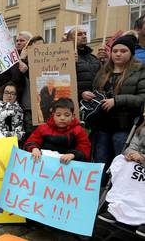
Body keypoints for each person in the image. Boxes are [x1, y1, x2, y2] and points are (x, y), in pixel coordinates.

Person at [82, 35, 145, 175]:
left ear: (131, 53)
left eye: (123, 51)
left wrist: (117, 101)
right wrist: (87, 94)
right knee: (100, 161)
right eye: (115, 51)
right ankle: (99, 192)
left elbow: (142, 98)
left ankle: (115, 193)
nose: (118, 54)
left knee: (120, 161)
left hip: (124, 126)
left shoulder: (140, 71)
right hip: (103, 125)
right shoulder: (104, 71)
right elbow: (96, 93)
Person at [97, 112, 145, 237]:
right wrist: (131, 155)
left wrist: (142, 158)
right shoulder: (141, 129)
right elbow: (131, 147)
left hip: (142, 161)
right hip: (138, 164)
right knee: (121, 160)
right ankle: (118, 208)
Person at [24, 98, 91, 163]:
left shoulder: (79, 130)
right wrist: (34, 148)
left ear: (73, 116)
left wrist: (73, 155)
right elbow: (31, 141)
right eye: (58, 115)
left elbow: (85, 148)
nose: (62, 118)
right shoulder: (43, 128)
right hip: (44, 166)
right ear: (53, 115)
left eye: (67, 115)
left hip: (68, 167)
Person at [66, 27, 103, 101]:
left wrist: (104, 62)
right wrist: (80, 94)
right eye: (79, 34)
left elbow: (103, 79)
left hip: (95, 103)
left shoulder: (94, 58)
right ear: (70, 40)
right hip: (76, 104)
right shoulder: (65, 58)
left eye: (85, 34)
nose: (84, 36)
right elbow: (63, 83)